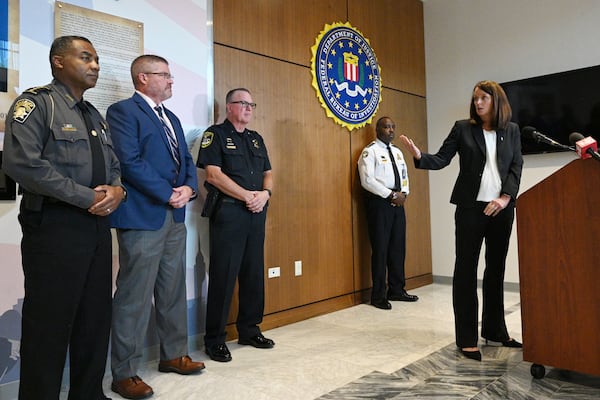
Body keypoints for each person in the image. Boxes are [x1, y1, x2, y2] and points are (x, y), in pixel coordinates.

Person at [2, 35, 124, 400]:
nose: (95, 66)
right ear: (58, 61)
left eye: (97, 59)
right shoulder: (36, 104)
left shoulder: (93, 115)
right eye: (86, 58)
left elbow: (113, 166)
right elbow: (22, 164)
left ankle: (89, 394)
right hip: (55, 227)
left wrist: (118, 191)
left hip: (97, 227)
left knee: (94, 320)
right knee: (49, 325)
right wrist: (87, 197)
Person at [399, 80, 524, 361]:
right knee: (466, 271)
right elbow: (442, 159)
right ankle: (467, 338)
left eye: (484, 98)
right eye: (475, 98)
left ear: (497, 101)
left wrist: (505, 198)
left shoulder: (512, 131)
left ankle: (495, 330)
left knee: (496, 269)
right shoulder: (463, 128)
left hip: (501, 209)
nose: (478, 103)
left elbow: (516, 166)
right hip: (470, 209)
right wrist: (420, 156)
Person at [107, 55, 203, 399]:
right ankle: (124, 373)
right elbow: (128, 162)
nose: (171, 81)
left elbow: (187, 161)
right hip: (143, 215)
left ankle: (173, 354)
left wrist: (189, 189)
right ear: (143, 78)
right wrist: (167, 193)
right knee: (133, 296)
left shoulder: (172, 117)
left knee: (172, 288)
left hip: (174, 216)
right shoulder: (122, 112)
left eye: (171, 75)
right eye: (164, 75)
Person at [197, 88, 274, 363]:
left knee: (253, 273)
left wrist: (264, 196)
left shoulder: (256, 139)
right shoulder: (214, 135)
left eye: (252, 103)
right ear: (229, 107)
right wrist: (247, 196)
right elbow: (213, 175)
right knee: (224, 275)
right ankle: (215, 339)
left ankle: (249, 329)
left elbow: (268, 173)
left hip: (256, 212)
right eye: (243, 103)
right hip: (230, 213)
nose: (249, 108)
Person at [358, 116, 419, 310]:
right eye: (386, 127)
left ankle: (397, 290)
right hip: (379, 204)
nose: (390, 130)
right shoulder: (370, 152)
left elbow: (404, 176)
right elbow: (367, 180)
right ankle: (378, 296)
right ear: (378, 130)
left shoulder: (398, 152)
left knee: (397, 248)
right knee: (381, 249)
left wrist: (404, 194)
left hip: (398, 203)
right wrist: (390, 194)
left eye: (393, 127)